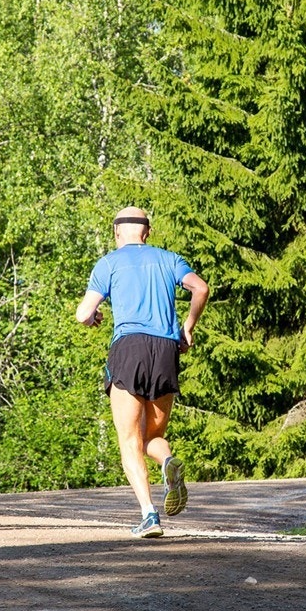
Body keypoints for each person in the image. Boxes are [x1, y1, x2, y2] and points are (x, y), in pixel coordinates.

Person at [75, 206, 210, 538]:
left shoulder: (108, 263)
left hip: (129, 348)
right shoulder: (169, 259)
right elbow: (201, 289)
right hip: (165, 350)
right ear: (147, 232)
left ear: (117, 233)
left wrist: (93, 319)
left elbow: (82, 314)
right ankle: (167, 464)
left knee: (130, 440)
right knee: (152, 435)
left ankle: (149, 516)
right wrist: (188, 327)